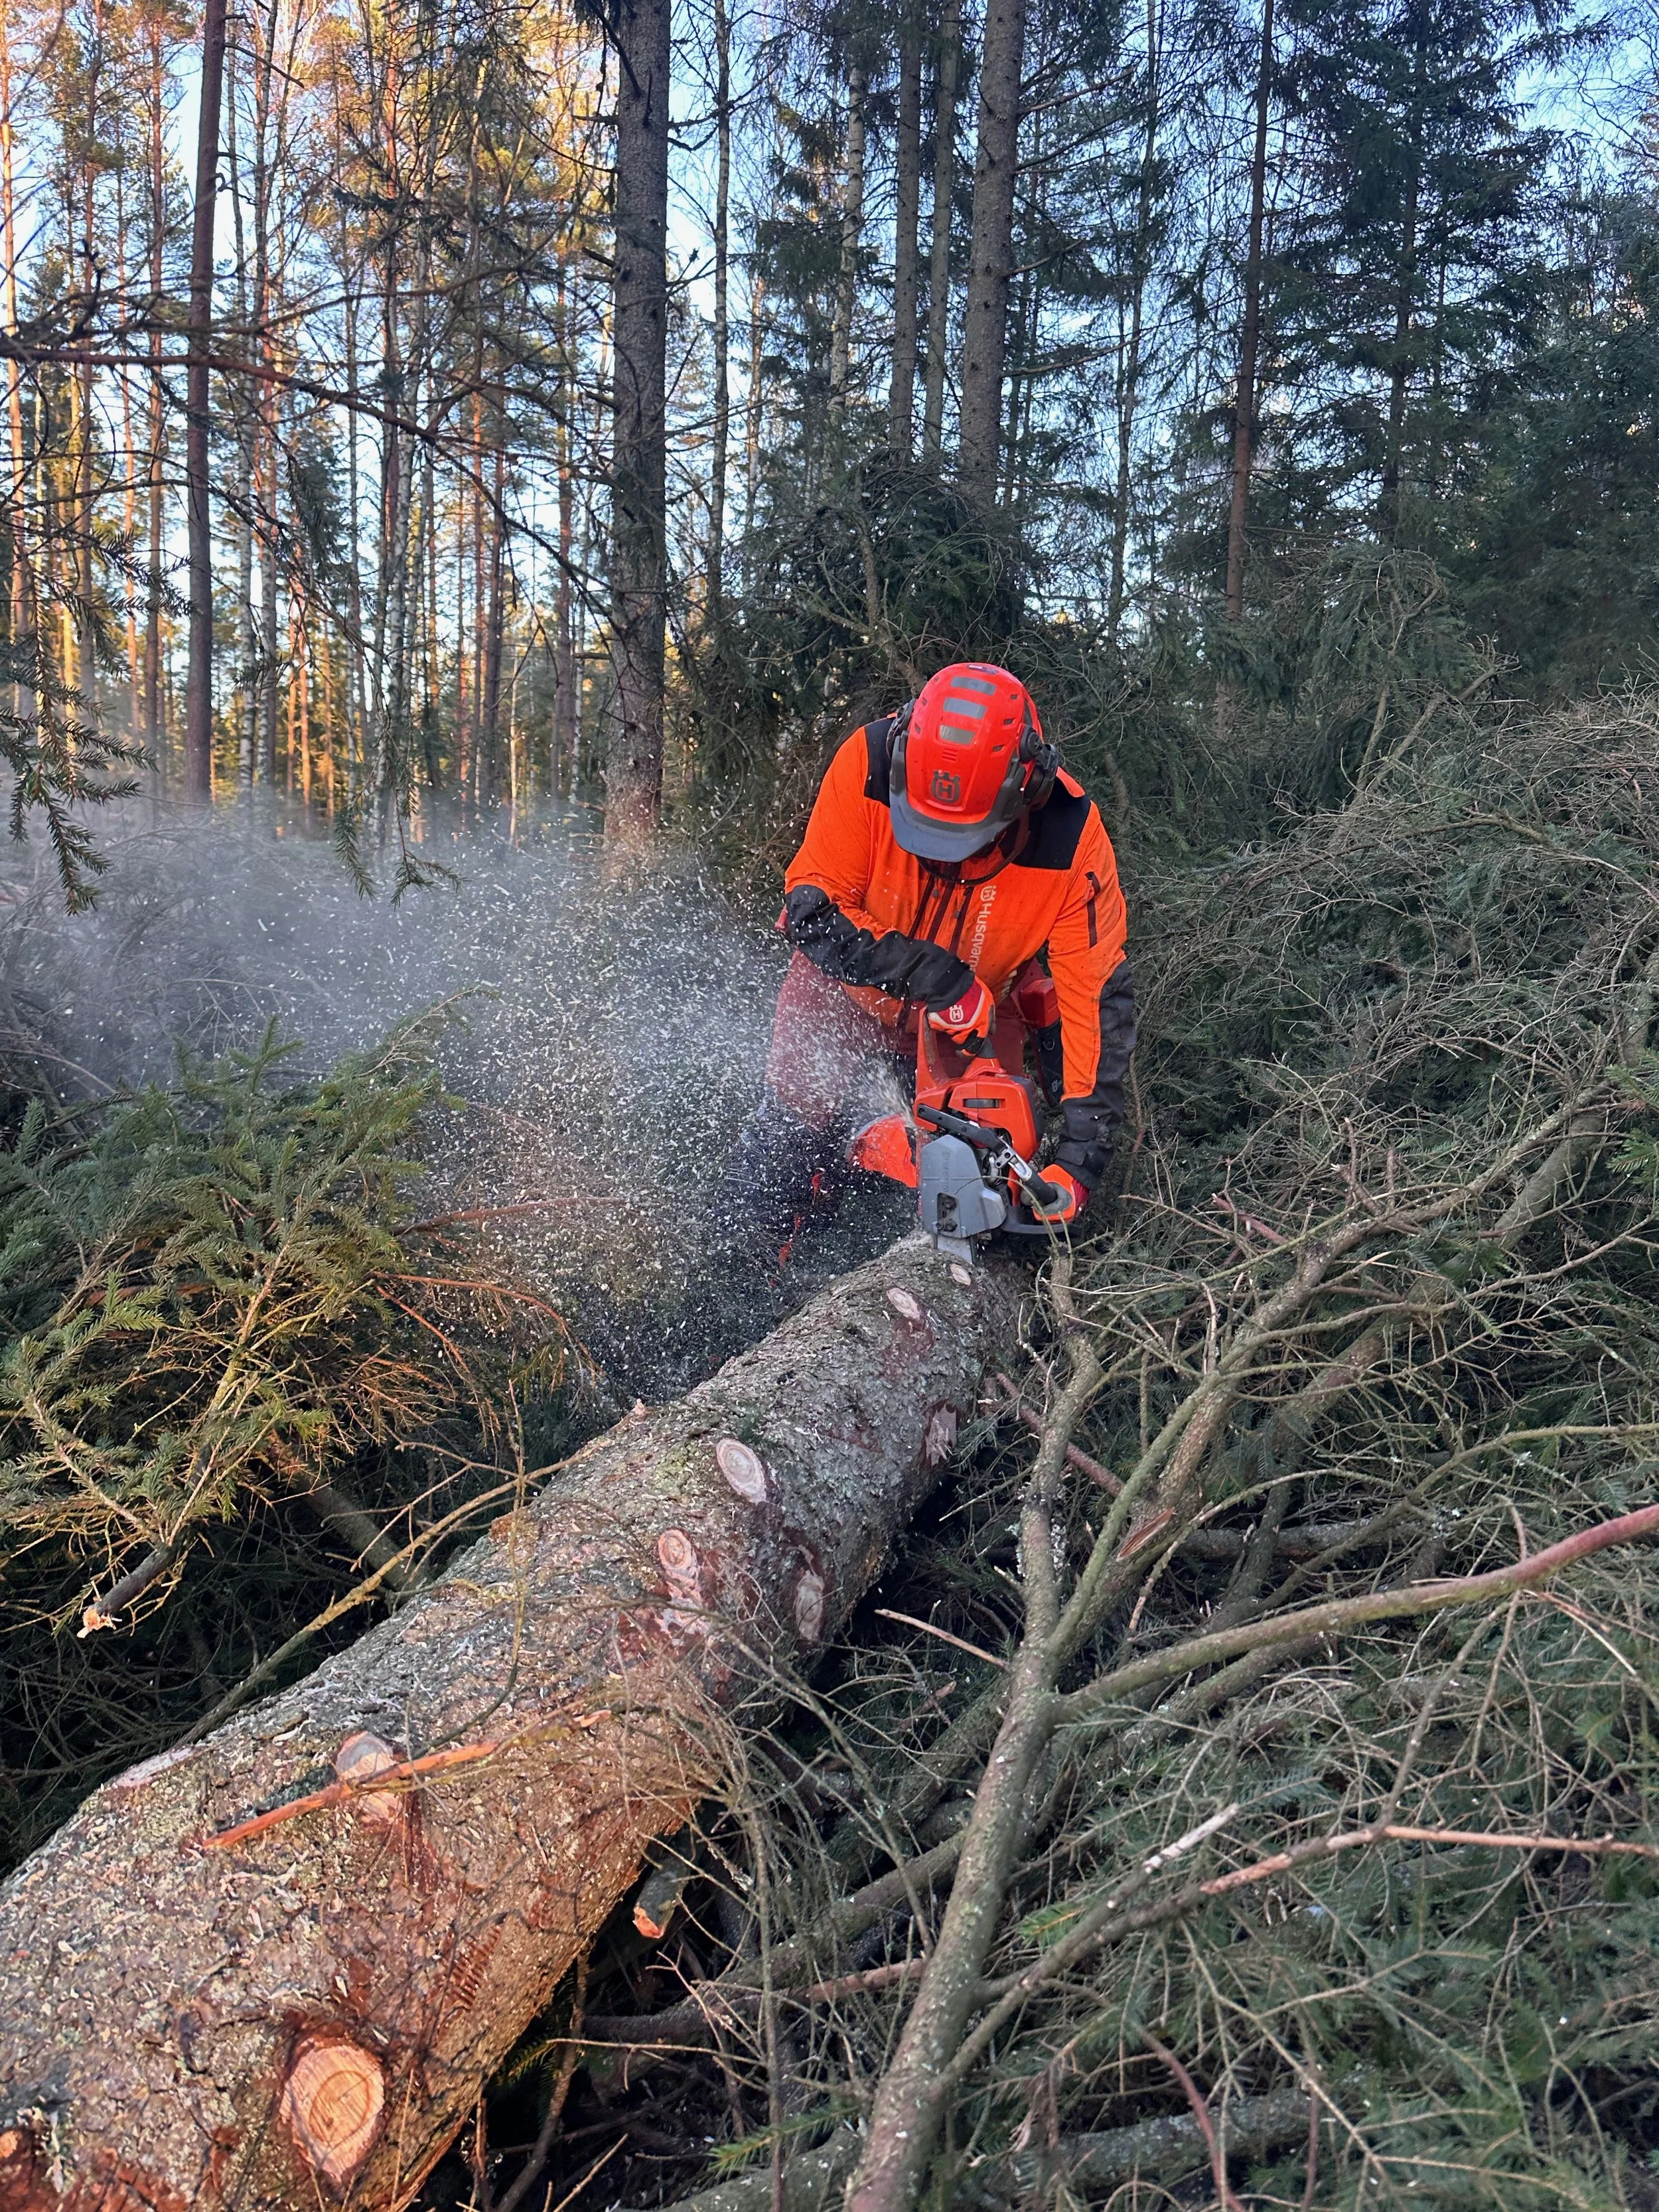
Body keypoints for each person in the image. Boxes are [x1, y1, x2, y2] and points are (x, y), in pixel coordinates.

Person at [730, 662, 1134, 1252]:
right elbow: (812, 909)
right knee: (780, 1152)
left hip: (968, 1033)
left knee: (974, 1179)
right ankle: (743, 1270)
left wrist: (1081, 1158)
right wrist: (936, 978)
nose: (943, 858)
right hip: (840, 996)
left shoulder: (1070, 840)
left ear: (1027, 788)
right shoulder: (868, 763)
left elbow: (1093, 998)